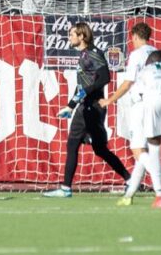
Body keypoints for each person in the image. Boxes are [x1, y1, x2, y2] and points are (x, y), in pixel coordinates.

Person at [43, 22, 130, 197]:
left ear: (82, 36)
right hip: (88, 106)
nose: (69, 37)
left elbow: (104, 78)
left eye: (72, 34)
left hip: (91, 107)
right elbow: (82, 85)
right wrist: (71, 105)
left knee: (72, 144)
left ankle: (66, 188)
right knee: (100, 149)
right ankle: (130, 179)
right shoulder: (84, 55)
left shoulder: (92, 53)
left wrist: (81, 97)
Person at [119, 48, 161, 208]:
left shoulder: (145, 71)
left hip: (151, 104)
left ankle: (159, 196)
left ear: (149, 62)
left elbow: (137, 95)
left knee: (153, 149)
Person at [98, 23, 159, 204]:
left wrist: (110, 99)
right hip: (157, 104)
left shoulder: (137, 54)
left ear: (135, 37)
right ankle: (129, 194)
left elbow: (128, 83)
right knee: (144, 151)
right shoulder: (157, 53)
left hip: (141, 104)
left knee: (138, 150)